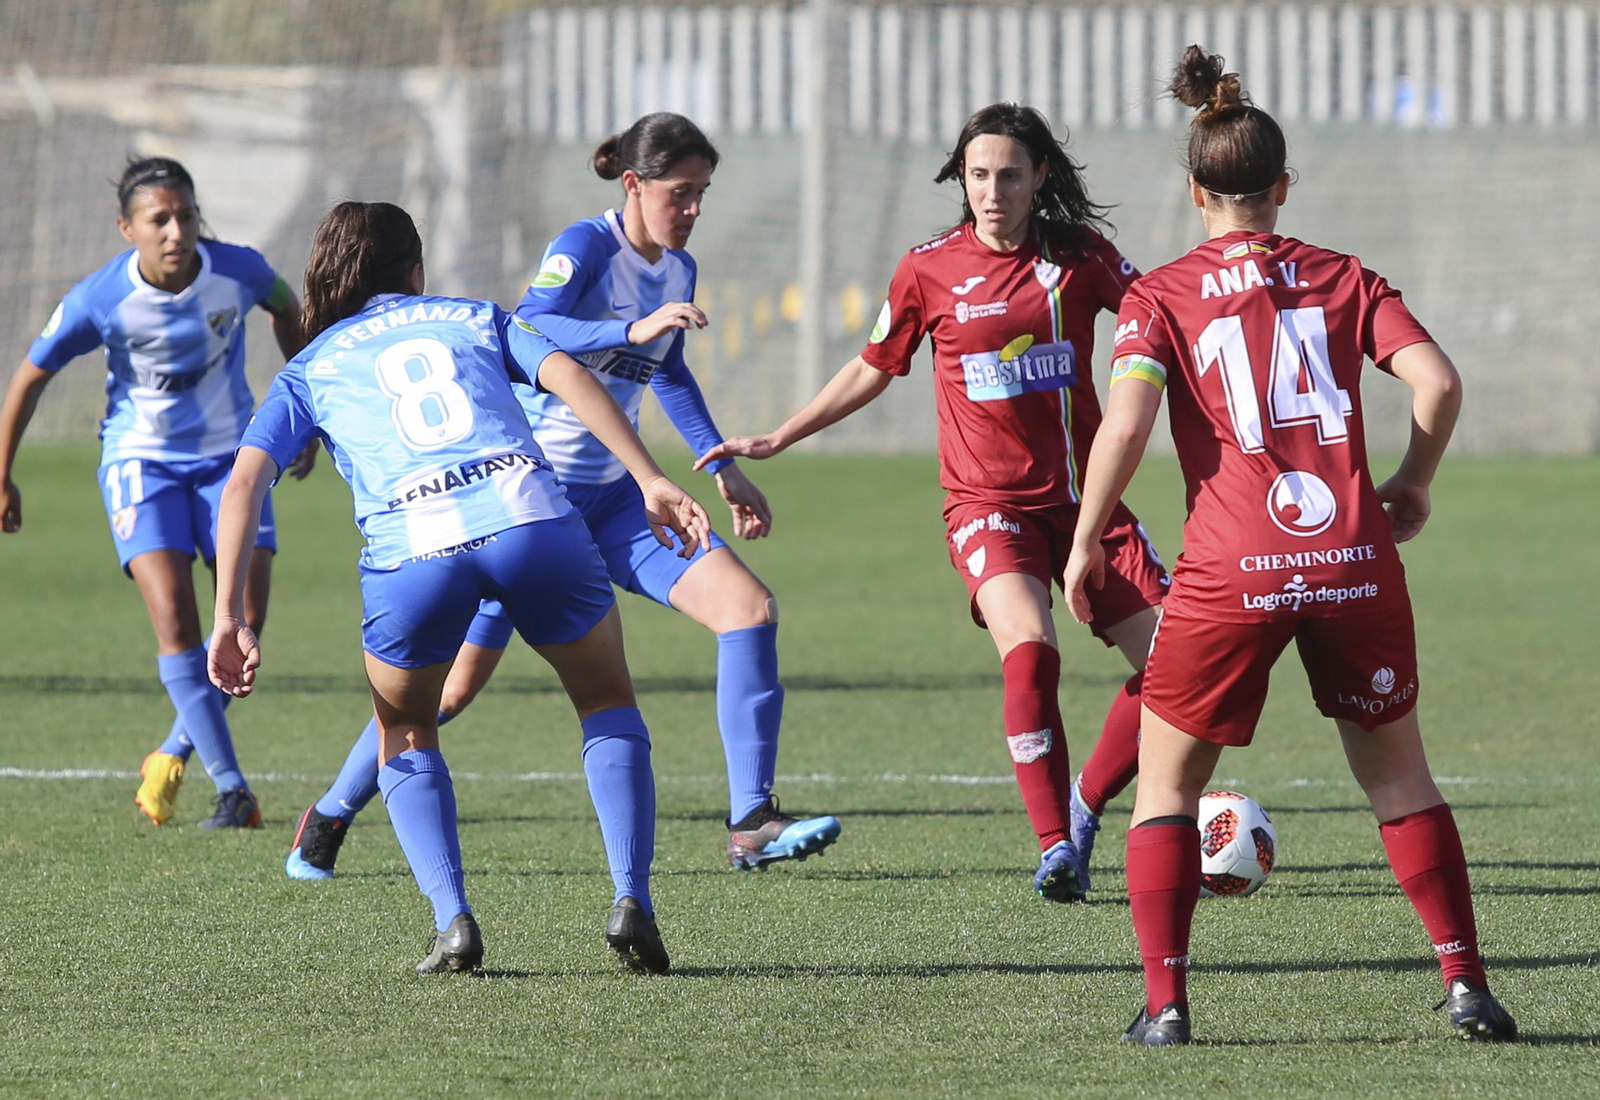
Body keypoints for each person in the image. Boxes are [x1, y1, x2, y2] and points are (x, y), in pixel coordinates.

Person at [1062, 48, 1517, 1045]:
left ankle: (1167, 1003)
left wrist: (1087, 536)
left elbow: (1127, 427)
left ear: (1194, 192)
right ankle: (1466, 984)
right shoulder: (1345, 276)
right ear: (1281, 186)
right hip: (1353, 554)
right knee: (1398, 776)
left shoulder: (1162, 296)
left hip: (1232, 564)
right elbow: (1436, 384)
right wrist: (1414, 481)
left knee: (1168, 782)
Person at [286, 112, 840, 882]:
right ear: (635, 185)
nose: (695, 210)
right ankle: (332, 814)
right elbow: (534, 324)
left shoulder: (679, 271)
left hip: (616, 505)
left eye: (704, 193)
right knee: (447, 692)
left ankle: (751, 820)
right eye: (682, 193)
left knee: (748, 609)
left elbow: (666, 368)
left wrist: (718, 465)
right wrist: (630, 324)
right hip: (525, 507)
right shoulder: (584, 246)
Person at [209, 200, 711, 974]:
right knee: (607, 704)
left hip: (414, 554)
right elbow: (569, 374)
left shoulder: (310, 366)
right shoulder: (474, 315)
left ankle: (454, 924)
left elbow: (244, 483)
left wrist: (230, 615)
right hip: (532, 522)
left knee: (406, 735)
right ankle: (631, 900)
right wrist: (648, 476)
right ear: (415, 271)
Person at [697, 103, 1168, 901]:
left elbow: (1160, 317)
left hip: (1089, 505)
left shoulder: (1080, 256)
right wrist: (781, 435)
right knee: (1031, 651)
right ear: (962, 178)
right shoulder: (929, 268)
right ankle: (1055, 846)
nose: (993, 191)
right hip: (989, 508)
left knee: (1177, 672)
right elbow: (874, 364)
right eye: (979, 175)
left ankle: (1086, 802)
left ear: (1039, 177)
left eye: (1010, 175)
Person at [0, 157, 312, 829]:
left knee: (246, 626)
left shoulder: (240, 270)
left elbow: (287, 306)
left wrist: (304, 410)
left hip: (234, 461)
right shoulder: (98, 298)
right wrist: (2, 474)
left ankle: (170, 754)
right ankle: (234, 792)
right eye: (159, 219)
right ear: (127, 228)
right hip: (141, 462)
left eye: (187, 215)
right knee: (178, 623)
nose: (176, 231)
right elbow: (28, 379)